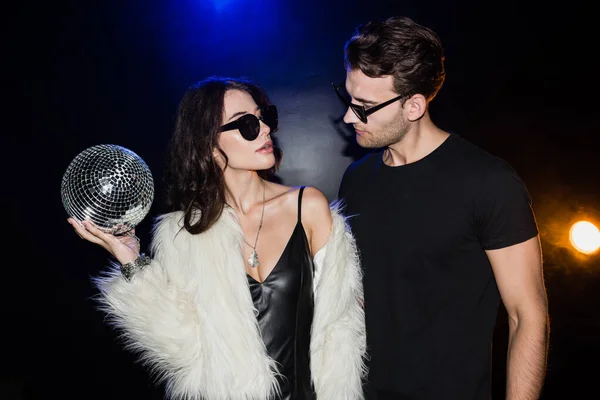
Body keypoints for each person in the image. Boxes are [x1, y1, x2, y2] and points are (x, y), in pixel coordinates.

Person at [68, 76, 366, 400]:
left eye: (265, 117)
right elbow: (185, 351)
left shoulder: (306, 206)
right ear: (210, 147)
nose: (265, 129)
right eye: (247, 124)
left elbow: (341, 326)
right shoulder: (183, 234)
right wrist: (130, 260)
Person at [333, 16, 549, 400]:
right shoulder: (356, 180)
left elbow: (527, 317)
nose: (349, 116)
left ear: (413, 105)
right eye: (348, 99)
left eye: (363, 106)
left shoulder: (489, 183)